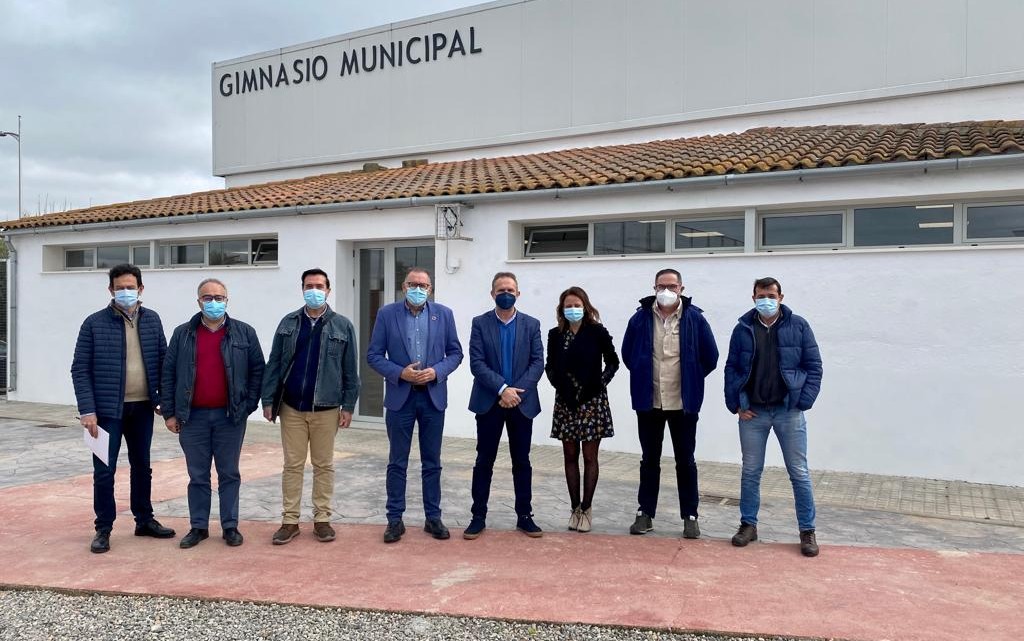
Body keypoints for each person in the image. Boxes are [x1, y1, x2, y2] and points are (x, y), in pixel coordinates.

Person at [71, 264, 175, 554]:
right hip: (105, 413)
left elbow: (164, 361)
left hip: (142, 407)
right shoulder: (93, 323)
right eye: (120, 288)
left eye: (131, 287)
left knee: (142, 467)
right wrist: (87, 410)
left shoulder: (152, 320)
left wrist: (164, 401)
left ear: (141, 289)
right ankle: (103, 528)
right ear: (111, 290)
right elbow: (80, 369)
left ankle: (144, 520)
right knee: (104, 472)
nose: (125, 292)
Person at [162, 279, 265, 549]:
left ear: (227, 300)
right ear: (198, 301)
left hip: (230, 417)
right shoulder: (182, 334)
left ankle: (230, 526)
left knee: (229, 472)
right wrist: (170, 414)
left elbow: (258, 372)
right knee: (198, 475)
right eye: (207, 297)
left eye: (219, 297)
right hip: (192, 417)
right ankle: (199, 526)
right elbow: (168, 374)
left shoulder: (245, 333)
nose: (213, 302)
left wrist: (247, 406)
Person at [724, 277, 823, 557]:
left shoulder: (799, 326)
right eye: (760, 295)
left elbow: (814, 366)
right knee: (751, 471)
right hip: (753, 413)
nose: (765, 300)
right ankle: (748, 525)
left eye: (770, 295)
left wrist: (802, 401)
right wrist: (736, 404)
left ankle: (807, 530)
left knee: (799, 473)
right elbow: (732, 368)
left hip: (787, 411)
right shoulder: (743, 328)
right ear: (752, 297)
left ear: (780, 297)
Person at [261, 268, 360, 545]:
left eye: (319, 286)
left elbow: (351, 370)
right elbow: (274, 363)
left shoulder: (342, 326)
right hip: (291, 407)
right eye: (309, 286)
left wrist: (348, 405)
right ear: (302, 289)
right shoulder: (288, 323)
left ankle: (322, 519)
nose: (314, 290)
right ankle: (289, 521)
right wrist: (268, 400)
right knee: (292, 465)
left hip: (327, 408)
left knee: (323, 465)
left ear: (328, 290)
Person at [367, 267, 463, 543]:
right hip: (401, 397)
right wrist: (400, 372)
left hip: (433, 396)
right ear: (403, 286)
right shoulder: (387, 314)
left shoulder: (444, 314)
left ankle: (433, 517)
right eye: (413, 284)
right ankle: (394, 520)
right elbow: (374, 355)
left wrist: (437, 371)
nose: (418, 289)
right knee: (397, 462)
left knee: (432, 462)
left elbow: (455, 353)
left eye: (424, 285)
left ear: (431, 289)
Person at [621, 268, 718, 538]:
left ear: (681, 289)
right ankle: (645, 513)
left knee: (685, 460)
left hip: (683, 403)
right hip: (649, 401)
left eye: (672, 286)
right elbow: (629, 354)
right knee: (649, 459)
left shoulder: (695, 319)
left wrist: (691, 378)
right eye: (661, 286)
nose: (667, 291)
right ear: (654, 287)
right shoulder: (639, 319)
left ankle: (690, 516)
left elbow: (710, 357)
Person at [464, 272, 545, 540]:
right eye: (500, 290)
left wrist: (515, 392)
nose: (505, 293)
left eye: (510, 289)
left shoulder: (532, 325)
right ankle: (478, 516)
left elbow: (537, 363)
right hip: (490, 401)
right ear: (492, 294)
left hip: (522, 402)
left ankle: (524, 516)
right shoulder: (479, 323)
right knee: (484, 460)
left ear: (518, 293)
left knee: (522, 461)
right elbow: (477, 363)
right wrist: (502, 389)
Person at [544, 286, 619, 533]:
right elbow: (550, 367)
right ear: (561, 309)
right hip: (566, 402)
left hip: (592, 401)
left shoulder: (597, 332)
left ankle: (587, 508)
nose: (573, 309)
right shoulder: (555, 335)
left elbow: (613, 361)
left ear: (585, 306)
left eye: (577, 305)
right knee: (569, 456)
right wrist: (560, 386)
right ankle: (574, 507)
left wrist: (600, 384)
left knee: (589, 457)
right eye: (568, 306)